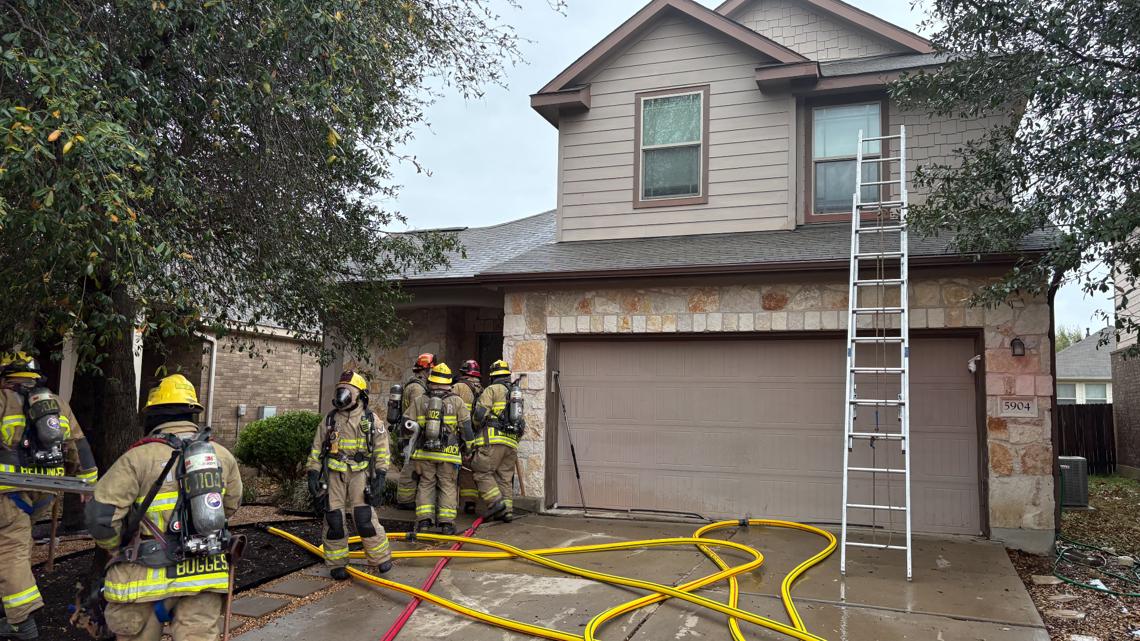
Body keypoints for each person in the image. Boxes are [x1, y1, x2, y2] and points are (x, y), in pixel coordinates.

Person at [85, 374, 240, 641]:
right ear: (192, 413)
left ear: (153, 415)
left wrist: (114, 546)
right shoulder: (221, 456)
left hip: (142, 578)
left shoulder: (138, 457)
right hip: (204, 573)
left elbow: (101, 517)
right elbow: (231, 505)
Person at [0, 352, 99, 640]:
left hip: (7, 491)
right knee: (17, 545)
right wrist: (88, 485)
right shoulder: (57, 404)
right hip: (45, 494)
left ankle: (22, 622)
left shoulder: (3, 400)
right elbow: (78, 446)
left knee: (10, 550)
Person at [306, 371, 392, 580]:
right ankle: (337, 563)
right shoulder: (330, 420)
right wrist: (313, 472)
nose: (342, 396)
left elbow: (382, 449)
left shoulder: (370, 420)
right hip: (334, 475)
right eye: (340, 391)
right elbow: (317, 449)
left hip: (359, 474)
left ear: (359, 395)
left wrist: (381, 474)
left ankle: (380, 557)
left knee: (364, 518)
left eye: (347, 392)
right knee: (334, 519)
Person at [401, 363, 472, 535]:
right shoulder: (457, 401)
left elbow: (405, 425)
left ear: (431, 381)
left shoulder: (420, 400)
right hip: (449, 455)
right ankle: (446, 524)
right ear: (449, 383)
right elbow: (466, 428)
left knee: (426, 484)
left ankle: (424, 522)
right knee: (447, 485)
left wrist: (405, 445)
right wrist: (469, 449)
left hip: (424, 453)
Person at [471, 360, 522, 522]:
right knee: (504, 478)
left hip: (492, 441)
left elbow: (479, 415)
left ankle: (496, 503)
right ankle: (507, 512)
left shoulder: (492, 389)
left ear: (493, 376)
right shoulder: (516, 393)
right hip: (511, 443)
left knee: (481, 471)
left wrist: (475, 427)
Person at [395, 353, 435, 510]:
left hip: (411, 432)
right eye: (431, 370)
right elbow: (414, 413)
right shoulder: (418, 389)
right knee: (410, 466)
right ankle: (405, 500)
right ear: (426, 370)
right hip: (412, 433)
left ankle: (407, 498)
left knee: (411, 464)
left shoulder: (416, 385)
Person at [452, 360, 483, 515]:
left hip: (458, 434)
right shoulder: (481, 389)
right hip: (475, 434)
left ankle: (449, 504)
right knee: (468, 469)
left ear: (463, 372)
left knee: (449, 469)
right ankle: (470, 503)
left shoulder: (459, 387)